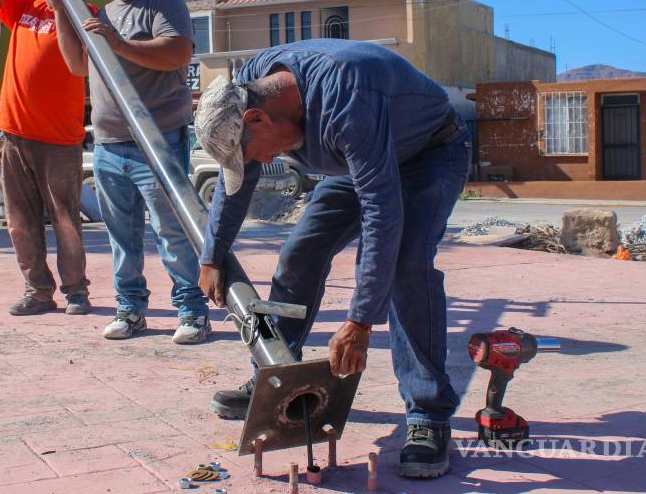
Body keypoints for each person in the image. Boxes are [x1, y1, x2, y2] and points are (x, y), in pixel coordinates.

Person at [194, 39, 471, 479]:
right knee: (299, 252)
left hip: (428, 154)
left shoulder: (346, 94)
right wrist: (212, 254)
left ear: (257, 118)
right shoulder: (253, 87)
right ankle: (275, 375)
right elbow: (237, 185)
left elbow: (382, 212)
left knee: (405, 266)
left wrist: (361, 321)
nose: (264, 162)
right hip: (359, 160)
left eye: (256, 153)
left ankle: (428, 416)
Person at [53, 0, 210, 344]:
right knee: (121, 235)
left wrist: (120, 45)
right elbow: (77, 66)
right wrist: (59, 12)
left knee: (171, 231)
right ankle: (131, 309)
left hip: (157, 140)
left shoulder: (164, 3)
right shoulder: (102, 15)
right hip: (108, 142)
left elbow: (177, 51)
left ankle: (192, 310)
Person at [0, 0, 94, 317]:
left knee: (65, 220)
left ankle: (76, 290)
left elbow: (79, 65)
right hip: (14, 133)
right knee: (20, 223)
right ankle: (37, 291)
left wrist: (64, 7)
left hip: (60, 139)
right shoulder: (26, 6)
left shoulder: (89, 15)